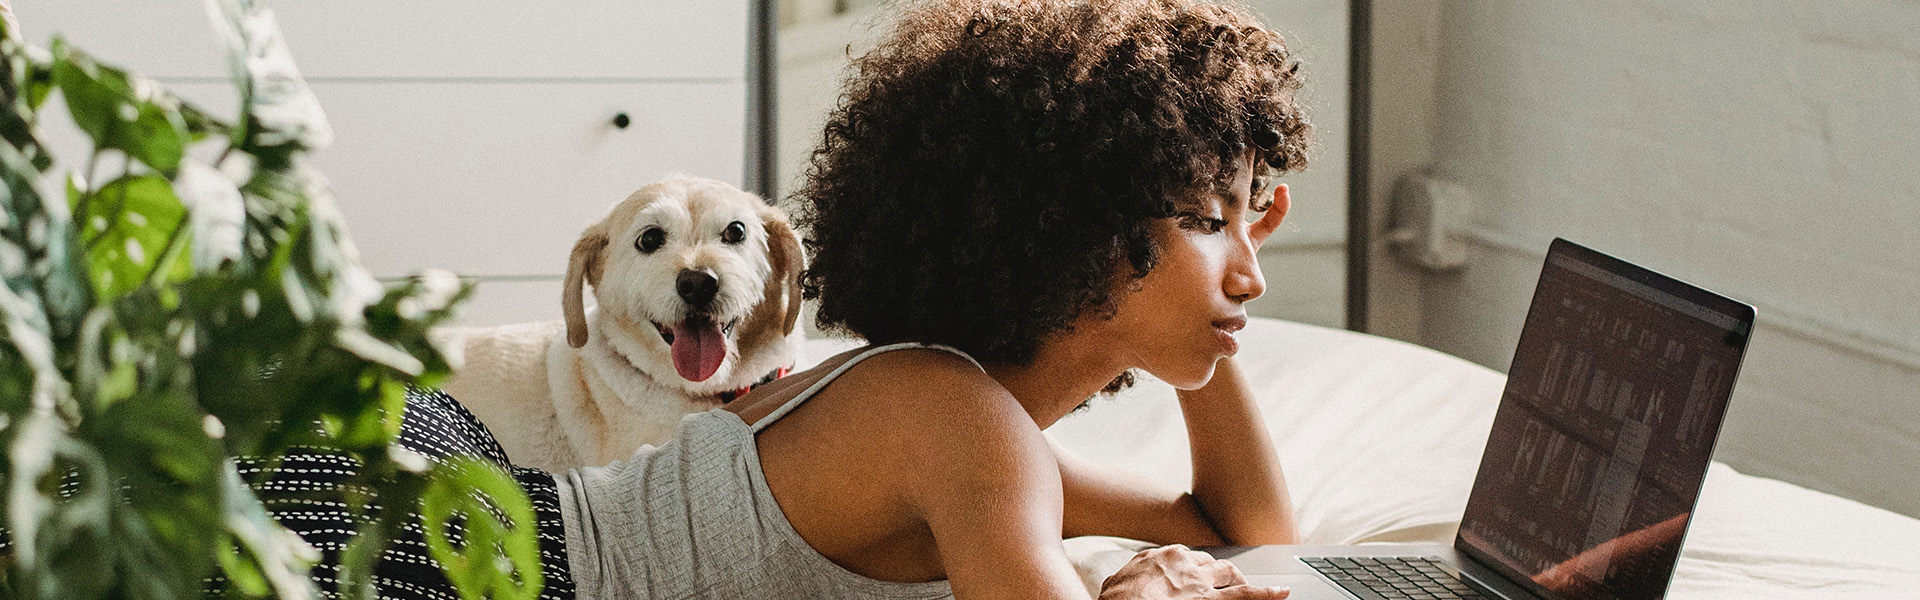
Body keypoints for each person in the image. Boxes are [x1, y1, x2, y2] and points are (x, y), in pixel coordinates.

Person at [238, 0, 1314, 598]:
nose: (1250, 269)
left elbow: (1248, 530)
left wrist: (1215, 312)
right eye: (1206, 221)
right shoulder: (959, 426)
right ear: (1074, 235)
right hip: (464, 553)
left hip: (467, 504)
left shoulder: (963, 419)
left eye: (1244, 219)